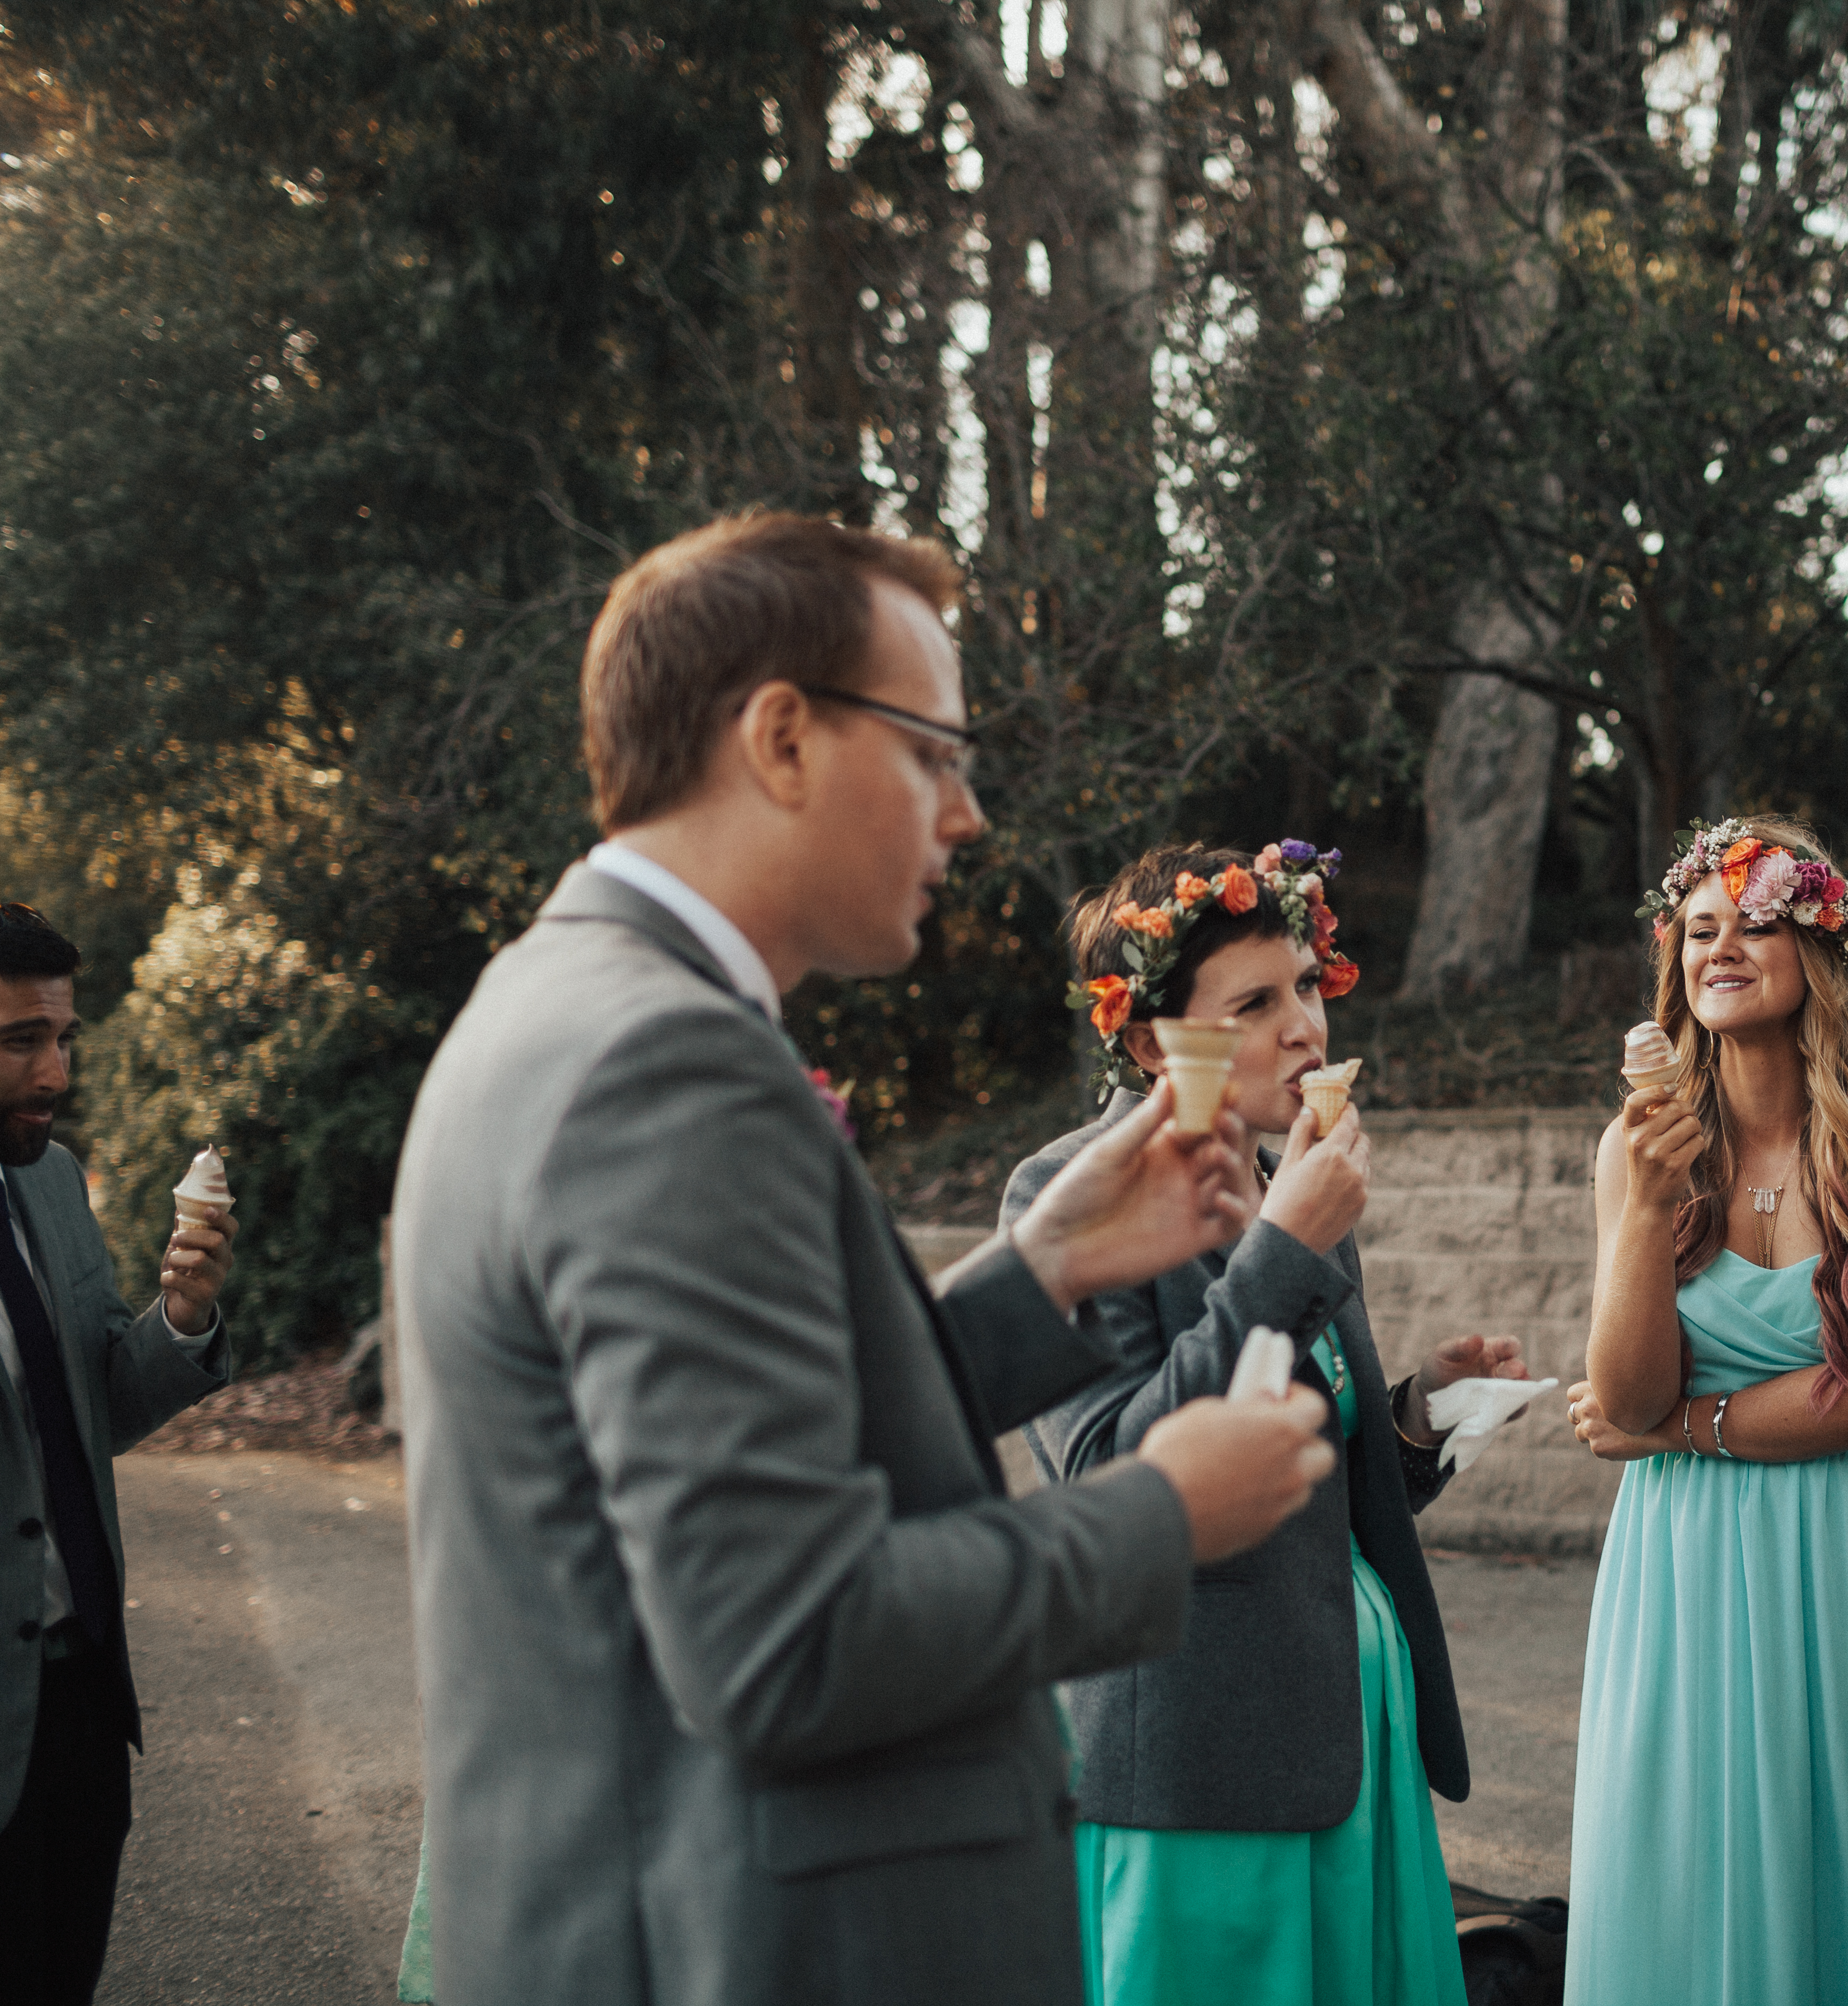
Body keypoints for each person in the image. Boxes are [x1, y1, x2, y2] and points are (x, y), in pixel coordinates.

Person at [392, 513, 1339, 2006]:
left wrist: (1041, 1273)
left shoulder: (565, 1002)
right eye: (932, 753)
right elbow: (787, 1634)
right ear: (780, 738)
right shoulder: (666, 1068)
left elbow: (740, 1440)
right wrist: (1167, 1508)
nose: (965, 815)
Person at [1015, 841, 1527, 2006]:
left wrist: (1414, 1416)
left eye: (1307, 985)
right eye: (1257, 1001)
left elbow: (1311, 1466)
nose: (1308, 1026)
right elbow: (1116, 1473)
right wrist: (1280, 1253)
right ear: (1154, 1042)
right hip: (1203, 1760)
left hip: (1355, 1734)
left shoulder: (1291, 1174)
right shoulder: (1066, 1191)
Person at [1561, 815, 1848, 2006]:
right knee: (1681, 1858)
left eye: (1755, 918)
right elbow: (1629, 1388)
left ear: (1820, 943)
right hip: (1683, 1559)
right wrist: (1646, 1215)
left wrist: (1689, 1430)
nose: (1722, 945)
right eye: (1699, 928)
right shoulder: (1635, 1147)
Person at [0, 901, 240, 2004]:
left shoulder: (53, 1182)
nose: (55, 1071)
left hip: (85, 1705)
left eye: (64, 1039)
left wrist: (180, 1318)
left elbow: (93, 1406)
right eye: (21, 1042)